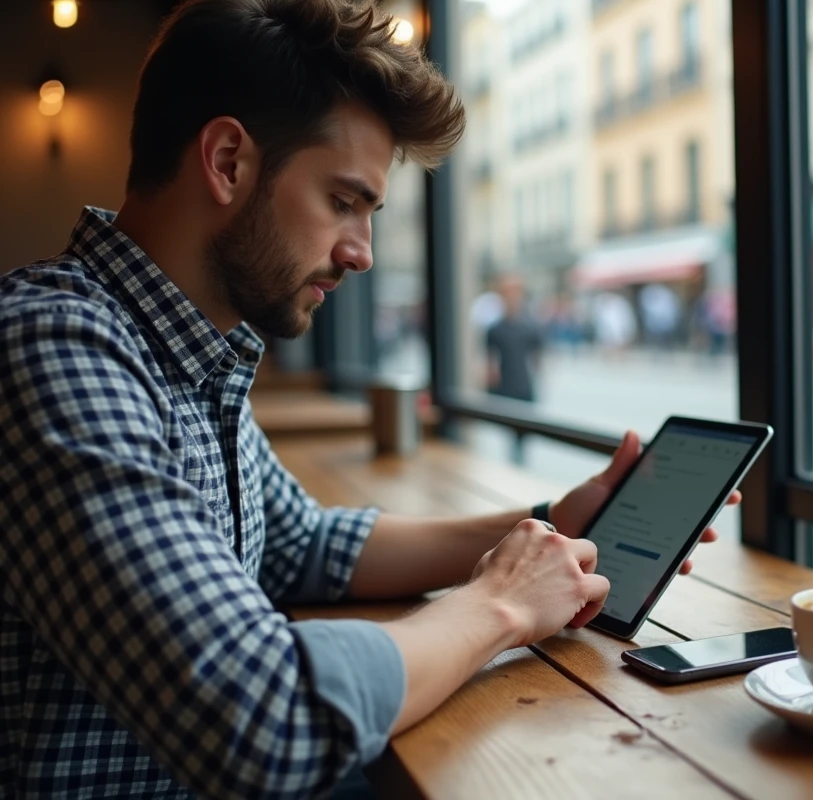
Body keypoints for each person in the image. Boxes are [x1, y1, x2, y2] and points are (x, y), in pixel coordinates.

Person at [0, 2, 735, 798]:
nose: (361, 253)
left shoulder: (188, 353)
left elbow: (300, 544)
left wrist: (551, 522)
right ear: (227, 162)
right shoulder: (53, 345)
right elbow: (268, 720)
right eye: (343, 201)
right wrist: (501, 605)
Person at [486, 273, 544, 464]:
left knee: (523, 435)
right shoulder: (495, 329)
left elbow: (537, 359)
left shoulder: (530, 326)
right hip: (505, 387)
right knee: (510, 434)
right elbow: (490, 363)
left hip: (524, 386)